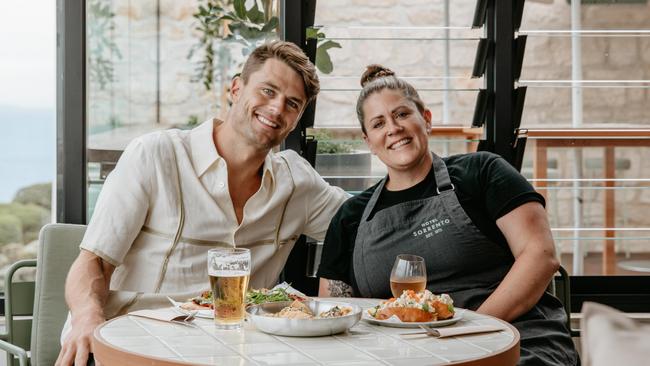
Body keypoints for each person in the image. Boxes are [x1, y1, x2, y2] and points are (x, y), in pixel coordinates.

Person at [56, 41, 348, 366]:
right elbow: (92, 262)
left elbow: (366, 222)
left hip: (234, 354)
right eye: (268, 91)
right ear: (236, 88)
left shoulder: (297, 183)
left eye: (292, 104)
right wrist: (86, 318)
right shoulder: (155, 155)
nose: (278, 108)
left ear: (296, 120)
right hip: (135, 344)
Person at [317, 65, 579, 365]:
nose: (393, 128)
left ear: (426, 120)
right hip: (402, 355)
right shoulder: (351, 216)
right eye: (378, 124)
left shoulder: (482, 172)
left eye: (402, 114)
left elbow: (540, 256)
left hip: (515, 339)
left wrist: (466, 333)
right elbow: (335, 312)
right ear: (368, 142)